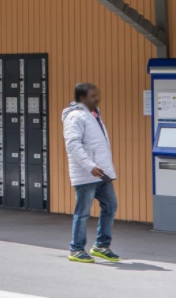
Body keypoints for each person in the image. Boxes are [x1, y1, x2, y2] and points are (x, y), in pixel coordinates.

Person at [62, 82, 119, 263]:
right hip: (87, 173)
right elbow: (72, 144)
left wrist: (103, 169)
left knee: (110, 205)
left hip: (101, 172)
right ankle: (76, 249)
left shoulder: (94, 115)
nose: (97, 98)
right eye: (92, 96)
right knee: (83, 211)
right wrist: (89, 166)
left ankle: (101, 245)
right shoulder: (75, 117)